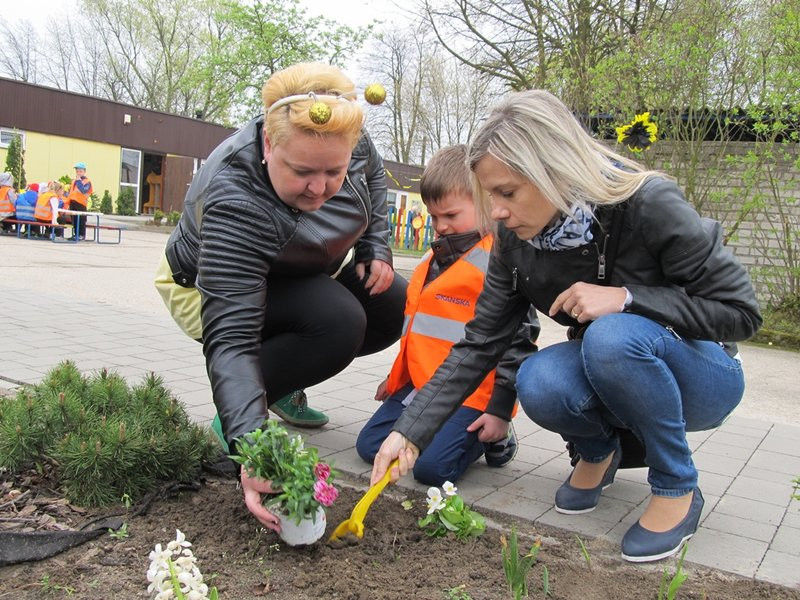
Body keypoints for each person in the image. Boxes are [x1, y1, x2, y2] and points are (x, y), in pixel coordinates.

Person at [371, 90, 762, 563]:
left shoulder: (646, 204)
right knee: (537, 378)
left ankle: (677, 485)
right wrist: (409, 432)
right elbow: (479, 346)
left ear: (552, 170)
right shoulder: (515, 244)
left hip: (704, 375)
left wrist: (626, 298)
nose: (495, 211)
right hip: (614, 370)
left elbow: (741, 313)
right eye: (490, 195)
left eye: (507, 193)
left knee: (611, 334)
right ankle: (598, 452)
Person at [155, 62, 407, 530]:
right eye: (302, 172)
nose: (320, 188)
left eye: (334, 171)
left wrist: (375, 245)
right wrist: (250, 448)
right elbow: (231, 338)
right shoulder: (235, 194)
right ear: (269, 145)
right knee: (338, 321)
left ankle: (280, 383)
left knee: (389, 301)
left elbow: (372, 178)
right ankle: (241, 411)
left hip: (294, 269)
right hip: (206, 287)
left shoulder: (344, 132)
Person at [356, 145, 537, 485]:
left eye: (451, 216)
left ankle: (497, 439)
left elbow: (519, 341)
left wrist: (499, 409)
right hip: (424, 389)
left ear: (485, 203)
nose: (440, 227)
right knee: (369, 447)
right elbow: (418, 332)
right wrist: (397, 378)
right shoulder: (431, 260)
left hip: (475, 394)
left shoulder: (499, 263)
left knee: (431, 470)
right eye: (434, 217)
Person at [67, 162, 93, 240]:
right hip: (73, 202)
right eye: (77, 171)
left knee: (81, 220)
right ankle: (76, 234)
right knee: (74, 219)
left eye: (80, 171)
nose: (78, 173)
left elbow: (83, 191)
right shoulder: (74, 181)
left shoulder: (87, 181)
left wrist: (78, 181)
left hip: (81, 203)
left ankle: (81, 234)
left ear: (84, 172)